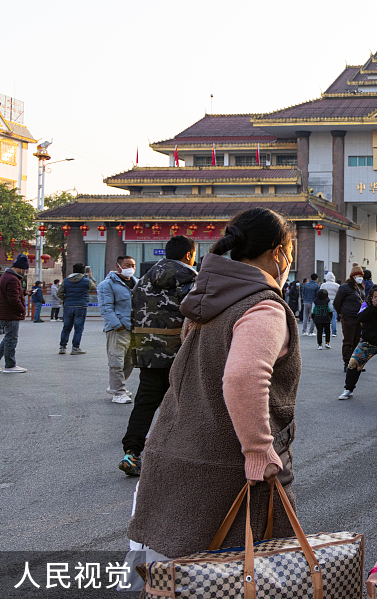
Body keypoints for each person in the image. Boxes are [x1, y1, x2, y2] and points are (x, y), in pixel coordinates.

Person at [127, 207, 301, 558]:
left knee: (181, 575)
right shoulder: (262, 307)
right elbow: (243, 376)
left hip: (175, 451)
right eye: (291, 247)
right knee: (250, 573)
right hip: (229, 470)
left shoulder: (210, 300)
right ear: (277, 252)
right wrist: (258, 449)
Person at [118, 235, 198, 477]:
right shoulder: (191, 279)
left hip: (147, 350)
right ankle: (181, 456)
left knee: (145, 403)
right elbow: (196, 313)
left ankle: (131, 453)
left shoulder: (143, 280)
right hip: (179, 352)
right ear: (188, 255)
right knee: (187, 405)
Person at [98, 255, 138, 404]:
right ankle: (118, 393)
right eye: (127, 265)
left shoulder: (137, 283)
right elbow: (106, 308)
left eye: (133, 265)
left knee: (131, 360)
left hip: (134, 328)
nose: (131, 269)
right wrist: (118, 326)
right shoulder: (106, 285)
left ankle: (115, 386)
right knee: (116, 361)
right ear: (118, 266)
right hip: (118, 329)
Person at [57, 263, 96, 355]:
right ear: (83, 271)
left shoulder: (66, 281)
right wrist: (91, 277)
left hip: (68, 306)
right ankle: (75, 348)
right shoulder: (86, 280)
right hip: (81, 306)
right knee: (78, 328)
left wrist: (66, 300)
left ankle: (62, 347)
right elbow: (94, 287)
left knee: (66, 327)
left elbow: (59, 293)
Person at [0, 254, 30, 373]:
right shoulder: (13, 279)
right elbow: (13, 298)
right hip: (10, 313)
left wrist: (23, 292)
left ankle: (9, 363)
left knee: (7, 338)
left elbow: (8, 292)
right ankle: (10, 365)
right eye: (25, 269)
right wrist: (22, 309)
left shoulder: (5, 276)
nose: (25, 272)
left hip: (5, 312)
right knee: (11, 339)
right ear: (20, 268)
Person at [333, 265, 365, 367]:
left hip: (359, 317)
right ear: (353, 276)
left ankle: (355, 362)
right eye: (358, 275)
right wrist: (342, 313)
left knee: (357, 341)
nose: (361, 277)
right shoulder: (345, 287)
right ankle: (347, 362)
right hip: (348, 317)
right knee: (348, 341)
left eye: (362, 275)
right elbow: (337, 302)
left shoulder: (360, 288)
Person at [320, 271, 341, 337]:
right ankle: (334, 332)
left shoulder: (323, 285)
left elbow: (320, 293)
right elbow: (339, 295)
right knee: (333, 318)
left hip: (325, 303)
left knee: (324, 318)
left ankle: (324, 332)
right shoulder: (337, 285)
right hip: (333, 303)